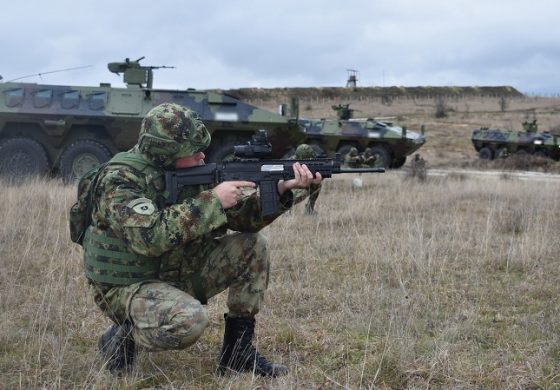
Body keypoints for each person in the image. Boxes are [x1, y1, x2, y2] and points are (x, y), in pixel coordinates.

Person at [82, 103, 322, 377]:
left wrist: (280, 190)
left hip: (176, 271)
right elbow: (149, 237)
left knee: (253, 246)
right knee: (189, 322)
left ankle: (237, 354)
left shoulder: (194, 172)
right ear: (166, 154)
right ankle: (120, 338)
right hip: (126, 286)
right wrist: (213, 201)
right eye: (193, 151)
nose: (202, 155)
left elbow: (243, 220)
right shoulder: (119, 180)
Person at [290, 144, 322, 214]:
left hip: (300, 184)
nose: (310, 159)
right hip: (290, 188)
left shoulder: (305, 163)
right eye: (308, 158)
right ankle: (285, 211)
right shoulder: (290, 164)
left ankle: (309, 209)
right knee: (303, 192)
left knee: (317, 185)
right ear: (302, 157)